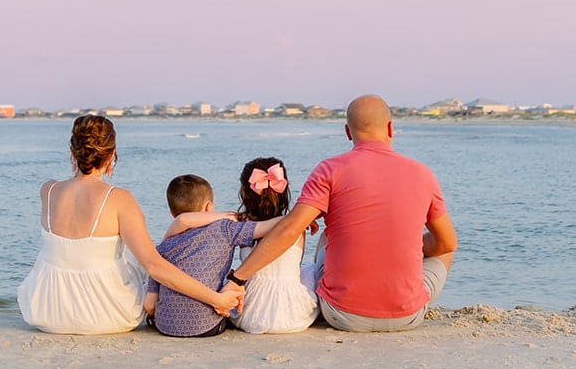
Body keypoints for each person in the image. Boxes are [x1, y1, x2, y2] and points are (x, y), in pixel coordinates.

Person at [228, 95, 456, 332]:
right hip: (407, 317)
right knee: (446, 249)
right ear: (390, 128)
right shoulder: (423, 175)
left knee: (328, 235)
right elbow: (447, 243)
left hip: (340, 314)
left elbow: (290, 229)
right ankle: (405, 295)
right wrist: (406, 245)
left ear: (347, 132)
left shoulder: (329, 170)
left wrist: (238, 278)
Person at [16, 115, 240, 334]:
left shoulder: (48, 190)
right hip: (106, 315)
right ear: (112, 155)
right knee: (144, 263)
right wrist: (216, 299)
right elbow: (155, 266)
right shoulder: (119, 199)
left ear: (73, 153)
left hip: (47, 311)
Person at [156, 157, 320, 334]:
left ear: (245, 194)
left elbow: (183, 219)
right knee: (310, 270)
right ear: (283, 190)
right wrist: (300, 218)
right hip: (292, 317)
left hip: (249, 315)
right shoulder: (295, 227)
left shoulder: (239, 225)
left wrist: (231, 215)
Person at [141, 174, 261, 337]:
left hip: (166, 327)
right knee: (230, 277)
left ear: (171, 212)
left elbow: (150, 305)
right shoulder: (224, 229)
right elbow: (263, 230)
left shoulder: (162, 248)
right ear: (209, 207)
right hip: (207, 326)